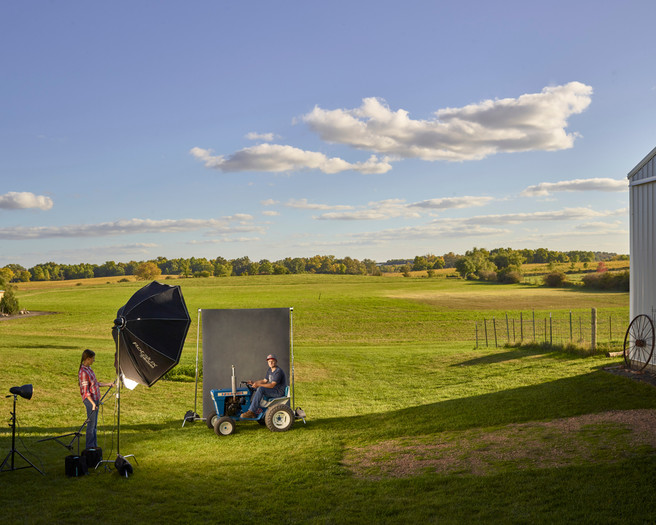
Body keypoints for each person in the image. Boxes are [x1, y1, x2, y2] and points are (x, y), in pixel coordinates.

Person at [78, 349, 113, 449]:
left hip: (95, 400)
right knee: (91, 425)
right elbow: (85, 391)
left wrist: (107, 384)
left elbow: (94, 384)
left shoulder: (89, 369)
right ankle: (90, 447)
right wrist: (93, 403)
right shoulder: (83, 372)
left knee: (94, 425)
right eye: (93, 359)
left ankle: (94, 446)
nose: (94, 360)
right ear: (87, 359)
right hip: (90, 401)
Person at [241, 353, 287, 418]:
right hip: (273, 390)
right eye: (269, 361)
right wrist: (254, 383)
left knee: (260, 389)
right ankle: (245, 407)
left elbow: (272, 385)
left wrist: (258, 385)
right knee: (252, 388)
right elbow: (264, 381)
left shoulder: (278, 371)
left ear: (276, 361)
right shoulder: (269, 370)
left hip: (278, 392)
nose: (270, 363)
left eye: (272, 361)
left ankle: (251, 411)